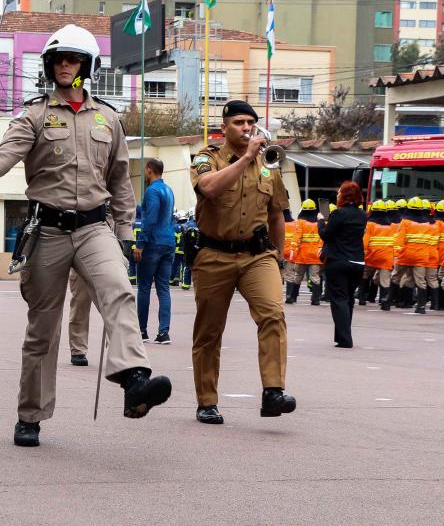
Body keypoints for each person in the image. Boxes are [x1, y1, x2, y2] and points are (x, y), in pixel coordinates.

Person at [0, 24, 172, 447]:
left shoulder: (108, 118)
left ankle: (135, 378)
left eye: (74, 59)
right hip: (47, 231)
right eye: (60, 59)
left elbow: (120, 181)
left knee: (118, 290)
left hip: (96, 227)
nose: (66, 65)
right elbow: (2, 157)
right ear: (49, 65)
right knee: (43, 330)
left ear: (87, 66)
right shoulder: (34, 115)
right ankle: (30, 415)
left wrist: (124, 234)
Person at [189, 100, 295, 425]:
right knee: (209, 331)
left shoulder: (269, 165)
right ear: (224, 127)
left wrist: (277, 256)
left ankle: (273, 392)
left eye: (250, 122)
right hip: (214, 254)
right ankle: (207, 401)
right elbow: (208, 188)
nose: (247, 128)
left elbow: (277, 214)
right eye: (238, 122)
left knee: (273, 314)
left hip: (257, 255)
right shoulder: (206, 158)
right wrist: (247, 157)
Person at [318, 182, 367, 348]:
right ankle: (341, 336)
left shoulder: (338, 214)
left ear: (344, 196)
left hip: (338, 260)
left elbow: (326, 235)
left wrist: (320, 221)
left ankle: (345, 339)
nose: (337, 194)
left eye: (339, 192)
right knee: (348, 299)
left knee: (338, 299)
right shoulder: (362, 215)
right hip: (357, 261)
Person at [134, 158, 176, 344]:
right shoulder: (168, 190)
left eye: (145, 170)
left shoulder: (152, 191)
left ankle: (142, 331)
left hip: (153, 244)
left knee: (144, 287)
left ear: (149, 170)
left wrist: (140, 244)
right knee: (163, 289)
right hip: (168, 242)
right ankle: (163, 332)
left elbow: (150, 219)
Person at [393, 197, 437, 314]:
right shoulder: (427, 224)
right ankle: (421, 307)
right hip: (422, 257)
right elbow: (430, 241)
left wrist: (396, 253)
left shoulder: (405, 222)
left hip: (405, 255)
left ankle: (391, 302)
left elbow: (399, 239)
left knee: (398, 277)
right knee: (420, 281)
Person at [360, 200, 397, 311]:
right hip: (386, 257)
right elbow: (395, 242)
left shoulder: (370, 224)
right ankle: (385, 302)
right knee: (385, 280)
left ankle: (362, 298)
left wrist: (362, 253)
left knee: (365, 275)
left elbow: (365, 241)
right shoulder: (392, 225)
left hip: (372, 256)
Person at [287, 199, 323, 305]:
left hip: (302, 256)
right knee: (315, 277)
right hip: (315, 256)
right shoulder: (319, 223)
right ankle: (315, 299)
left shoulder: (300, 222)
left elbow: (296, 239)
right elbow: (322, 238)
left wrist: (292, 253)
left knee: (298, 276)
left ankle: (292, 297)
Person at [66, 270, 95, 366]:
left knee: (115, 302)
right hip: (79, 258)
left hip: (108, 258)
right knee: (80, 302)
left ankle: (122, 350)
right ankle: (78, 350)